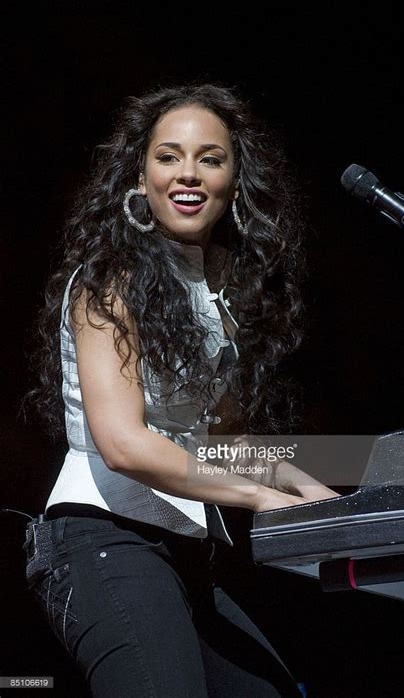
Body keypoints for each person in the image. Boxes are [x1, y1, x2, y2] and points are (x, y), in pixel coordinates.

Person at [22, 82, 339, 698]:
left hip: (184, 554)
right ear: (138, 178)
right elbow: (125, 445)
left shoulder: (221, 298)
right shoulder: (107, 282)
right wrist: (263, 498)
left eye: (209, 158)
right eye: (168, 156)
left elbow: (224, 442)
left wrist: (331, 509)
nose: (187, 174)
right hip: (101, 541)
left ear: (235, 181)